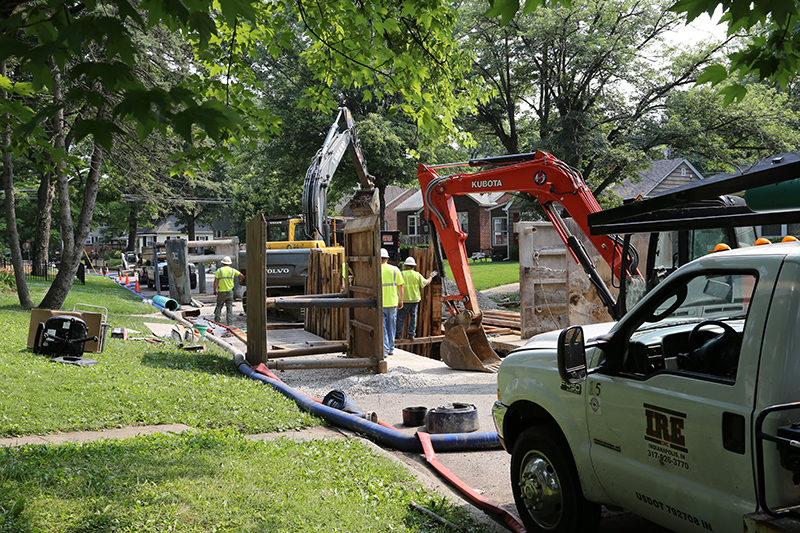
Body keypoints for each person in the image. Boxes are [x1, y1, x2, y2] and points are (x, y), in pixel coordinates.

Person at [396, 256, 437, 340]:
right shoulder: (417, 275)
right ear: (413, 266)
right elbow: (426, 283)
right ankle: (411, 334)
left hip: (404, 299)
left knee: (400, 318)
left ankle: (398, 335)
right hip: (415, 300)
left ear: (406, 266)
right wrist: (431, 276)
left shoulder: (402, 274)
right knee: (413, 317)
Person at [380, 248, 403, 356]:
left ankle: (385, 350)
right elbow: (400, 286)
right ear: (387, 258)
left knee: (382, 327)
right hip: (392, 302)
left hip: (380, 303)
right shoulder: (395, 270)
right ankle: (391, 348)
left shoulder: (375, 270)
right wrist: (401, 300)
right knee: (391, 326)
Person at [213, 256, 244, 325]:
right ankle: (229, 323)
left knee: (219, 306)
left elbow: (215, 282)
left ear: (223, 263)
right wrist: (240, 281)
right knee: (229, 308)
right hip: (230, 292)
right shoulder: (232, 270)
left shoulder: (219, 271)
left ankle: (217, 321)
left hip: (221, 292)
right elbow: (241, 275)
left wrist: (214, 290)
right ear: (229, 263)